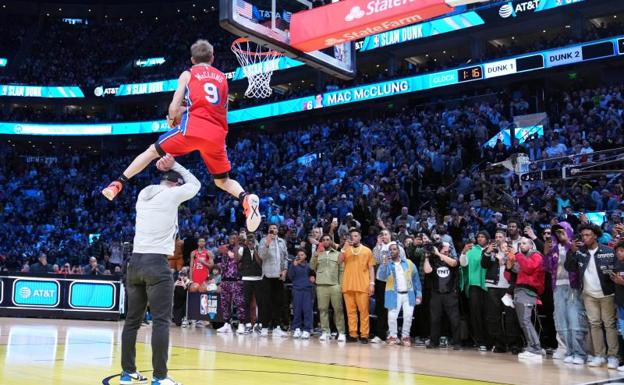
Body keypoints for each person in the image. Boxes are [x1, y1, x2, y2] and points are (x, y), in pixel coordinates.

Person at [101, 39, 260, 233]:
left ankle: (118, 183)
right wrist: (185, 112)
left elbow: (174, 106)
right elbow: (218, 108)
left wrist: (172, 119)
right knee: (222, 181)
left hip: (193, 129)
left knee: (152, 151)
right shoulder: (222, 78)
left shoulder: (188, 73)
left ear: (193, 59)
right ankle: (245, 198)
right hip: (217, 133)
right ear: (212, 58)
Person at [120, 155, 200, 385]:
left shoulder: (143, 194)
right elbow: (195, 184)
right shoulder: (173, 194)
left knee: (131, 322)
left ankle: (127, 373)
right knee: (161, 322)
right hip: (156, 263)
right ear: (176, 183)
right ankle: (160, 377)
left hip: (135, 263)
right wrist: (175, 164)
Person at [565, 223, 618, 369]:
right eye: (582, 235)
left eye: (587, 235)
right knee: (594, 325)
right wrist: (572, 252)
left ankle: (613, 356)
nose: (584, 238)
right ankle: (599, 355)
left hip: (607, 294)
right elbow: (569, 268)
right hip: (588, 294)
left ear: (595, 236)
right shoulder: (580, 252)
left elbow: (617, 270)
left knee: (609, 325)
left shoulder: (608, 251)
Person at [545, 222, 587, 365]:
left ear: (568, 230)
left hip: (573, 287)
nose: (559, 234)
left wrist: (568, 242)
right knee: (562, 322)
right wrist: (547, 252)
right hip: (557, 287)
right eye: (556, 232)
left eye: (562, 231)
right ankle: (569, 352)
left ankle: (580, 353)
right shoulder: (554, 249)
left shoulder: (576, 245)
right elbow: (547, 268)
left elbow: (580, 262)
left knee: (575, 321)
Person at [480, 230, 522, 354]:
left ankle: (514, 344)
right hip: (493, 286)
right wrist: (487, 252)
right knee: (493, 317)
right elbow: (484, 265)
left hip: (508, 287)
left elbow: (517, 269)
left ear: (505, 238)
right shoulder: (489, 251)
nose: (498, 238)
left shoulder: (512, 251)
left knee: (511, 317)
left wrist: (509, 255)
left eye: (500, 236)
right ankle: (499, 344)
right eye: (496, 236)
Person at [377, 242, 422, 347]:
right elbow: (381, 277)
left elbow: (416, 279)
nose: (392, 251)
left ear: (399, 251)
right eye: (390, 250)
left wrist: (419, 294)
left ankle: (405, 336)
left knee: (408, 316)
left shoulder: (409, 263)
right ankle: (393, 336)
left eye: (394, 249)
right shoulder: (387, 264)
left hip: (408, 294)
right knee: (392, 317)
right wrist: (384, 264)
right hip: (393, 294)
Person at [508, 237, 545, 362]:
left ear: (532, 245)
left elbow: (529, 268)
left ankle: (535, 349)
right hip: (519, 290)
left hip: (528, 290)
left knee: (525, 320)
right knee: (523, 321)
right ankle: (532, 346)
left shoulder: (536, 255)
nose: (521, 245)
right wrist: (510, 262)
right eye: (520, 244)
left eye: (524, 243)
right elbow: (510, 275)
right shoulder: (522, 257)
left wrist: (517, 254)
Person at [424, 242, 461, 349]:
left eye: (448, 250)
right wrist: (427, 257)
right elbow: (427, 271)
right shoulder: (433, 260)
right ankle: (433, 342)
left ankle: (457, 342)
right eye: (445, 250)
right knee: (434, 319)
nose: (447, 251)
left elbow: (454, 263)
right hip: (436, 294)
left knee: (454, 319)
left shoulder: (450, 259)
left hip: (450, 294)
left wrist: (439, 254)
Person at [341, 228, 375, 344]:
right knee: (351, 312)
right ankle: (352, 334)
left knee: (364, 311)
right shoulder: (346, 250)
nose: (353, 238)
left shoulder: (367, 251)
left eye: (356, 236)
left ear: (360, 237)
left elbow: (371, 268)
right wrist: (343, 248)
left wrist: (372, 283)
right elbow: (338, 261)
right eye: (352, 236)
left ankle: (364, 335)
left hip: (363, 285)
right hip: (348, 285)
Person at [310, 234, 346, 342]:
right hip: (321, 285)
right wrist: (315, 255)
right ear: (321, 242)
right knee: (322, 309)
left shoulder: (338, 254)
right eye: (324, 240)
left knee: (338, 309)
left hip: (335, 285)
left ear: (331, 241)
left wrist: (340, 285)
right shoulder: (318, 254)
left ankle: (341, 332)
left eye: (328, 239)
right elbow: (312, 267)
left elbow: (341, 271)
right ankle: (325, 331)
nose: (326, 241)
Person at [459, 230, 490, 351]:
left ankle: (490, 340)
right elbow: (463, 264)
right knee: (476, 315)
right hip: (475, 285)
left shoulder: (492, 249)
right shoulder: (472, 250)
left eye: (483, 237)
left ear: (487, 238)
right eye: (479, 237)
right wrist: (463, 252)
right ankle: (479, 341)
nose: (480, 238)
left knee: (489, 315)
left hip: (490, 286)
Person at [258, 224, 289, 337]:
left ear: (277, 230)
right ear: (268, 230)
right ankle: (265, 327)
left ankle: (276, 327)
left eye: (275, 228)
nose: (274, 230)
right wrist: (267, 242)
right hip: (267, 275)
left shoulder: (282, 241)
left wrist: (285, 270)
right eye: (271, 228)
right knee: (265, 302)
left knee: (278, 303)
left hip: (279, 275)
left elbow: (285, 257)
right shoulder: (263, 240)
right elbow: (261, 256)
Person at [216, 242, 245, 334]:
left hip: (236, 281)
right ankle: (227, 324)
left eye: (234, 238)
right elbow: (222, 268)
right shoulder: (225, 252)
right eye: (231, 238)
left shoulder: (240, 250)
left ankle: (241, 324)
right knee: (225, 304)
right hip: (225, 281)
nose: (232, 240)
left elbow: (240, 262)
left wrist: (235, 252)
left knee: (239, 303)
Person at [239, 233, 263, 334]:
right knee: (246, 302)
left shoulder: (259, 249)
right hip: (246, 277)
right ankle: (248, 324)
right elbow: (237, 260)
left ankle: (259, 324)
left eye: (252, 239)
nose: (250, 241)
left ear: (255, 240)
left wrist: (255, 249)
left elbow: (260, 262)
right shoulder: (242, 249)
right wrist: (240, 245)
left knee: (260, 302)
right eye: (248, 239)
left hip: (258, 278)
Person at [288, 250, 314, 339]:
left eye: (302, 254)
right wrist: (293, 266)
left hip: (307, 290)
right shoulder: (294, 265)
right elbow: (290, 276)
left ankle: (307, 329)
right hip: (297, 290)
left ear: (306, 256)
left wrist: (312, 279)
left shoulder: (309, 266)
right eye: (298, 255)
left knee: (307, 310)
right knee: (297, 310)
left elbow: (313, 276)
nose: (300, 256)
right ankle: (297, 328)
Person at [609, 241, 624, 371]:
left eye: (622, 250)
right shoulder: (617, 266)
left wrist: (622, 282)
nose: (619, 253)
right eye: (617, 251)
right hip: (620, 304)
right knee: (622, 333)